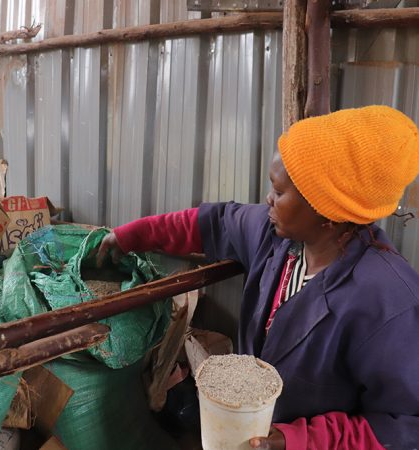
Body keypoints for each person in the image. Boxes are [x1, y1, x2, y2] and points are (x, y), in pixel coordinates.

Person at [97, 105, 419, 450]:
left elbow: (402, 427)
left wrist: (292, 440)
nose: (268, 198)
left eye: (279, 193)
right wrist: (129, 235)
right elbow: (212, 223)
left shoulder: (389, 301)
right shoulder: (278, 238)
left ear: (328, 212)